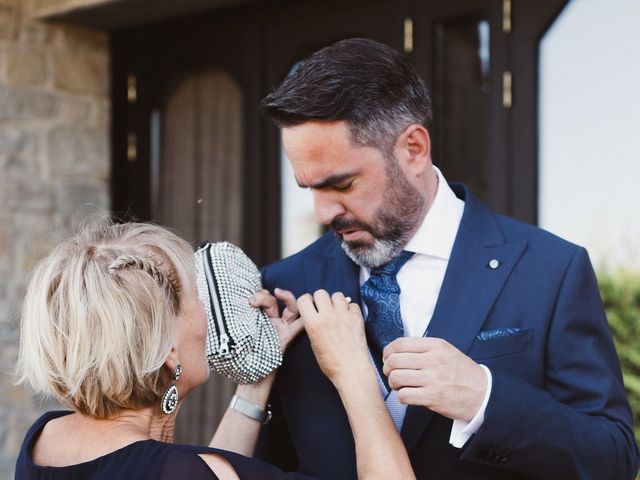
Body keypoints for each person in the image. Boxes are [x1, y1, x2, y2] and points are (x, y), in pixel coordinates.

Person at [255, 37, 640, 479]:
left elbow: (613, 459)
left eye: (341, 185)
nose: (323, 213)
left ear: (413, 149)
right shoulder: (289, 281)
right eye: (310, 188)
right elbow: (271, 466)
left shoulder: (549, 271)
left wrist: (483, 399)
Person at [14, 219, 415, 480]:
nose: (207, 317)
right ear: (168, 351)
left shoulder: (45, 440)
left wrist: (256, 381)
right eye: (196, 302)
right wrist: (353, 371)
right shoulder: (188, 472)